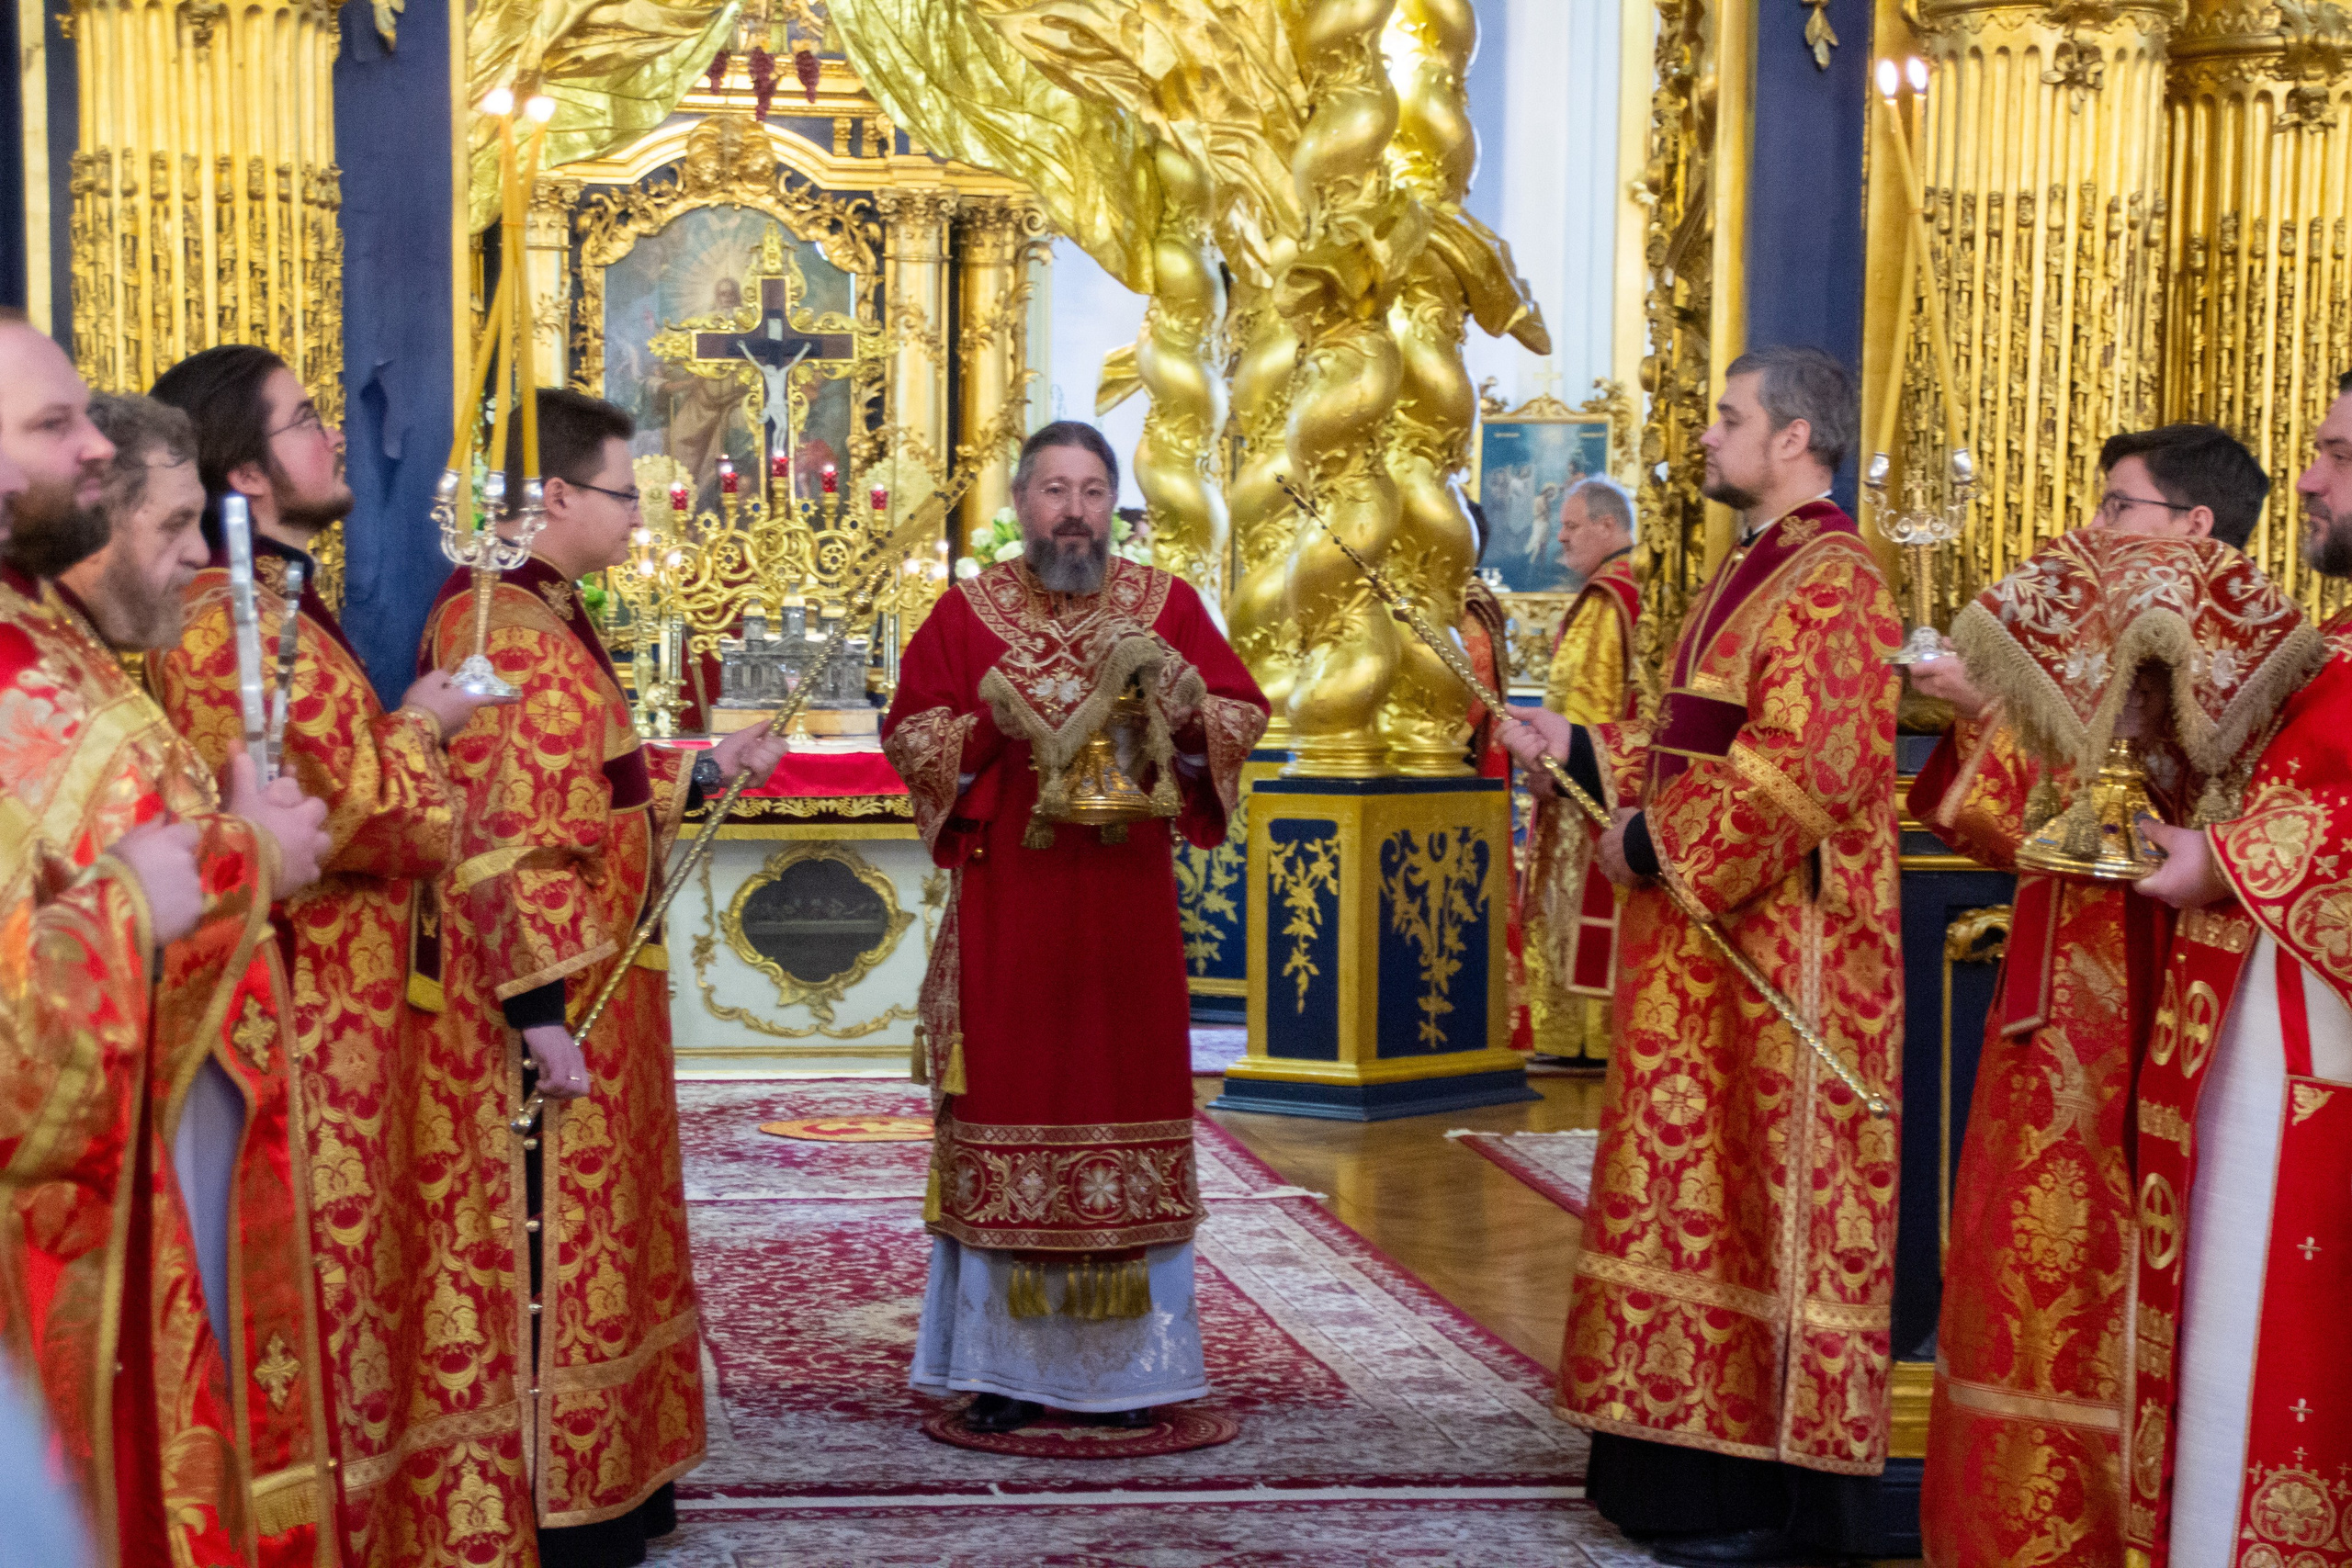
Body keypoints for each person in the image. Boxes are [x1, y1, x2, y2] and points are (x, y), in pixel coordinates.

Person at [1499, 346, 1902, 1566]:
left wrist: (1646, 839)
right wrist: (1574, 740)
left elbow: (1804, 768)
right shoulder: (1751, 565)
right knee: (1695, 1201)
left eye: (1729, 418)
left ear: (1794, 438)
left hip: (1787, 955)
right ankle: (1675, 1466)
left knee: (1762, 1201)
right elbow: (1688, 738)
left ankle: (1762, 1493)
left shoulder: (1835, 577)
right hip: (1705, 950)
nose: (1709, 435)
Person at [144, 344, 510, 1564]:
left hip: (364, 1039)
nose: (333, 438)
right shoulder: (222, 630)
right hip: (306, 1048)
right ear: (240, 473)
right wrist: (425, 723)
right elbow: (365, 813)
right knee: (333, 1328)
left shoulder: (279, 611)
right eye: (305, 422)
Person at [421, 388, 788, 1566]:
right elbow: (500, 839)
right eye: (628, 495)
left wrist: (699, 765)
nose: (642, 517)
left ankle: (612, 1478)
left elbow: (591, 788)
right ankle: (556, 1500)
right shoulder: (499, 630)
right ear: (561, 497)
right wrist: (537, 1013)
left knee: (610, 1242)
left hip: (600, 997)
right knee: (552, 1246)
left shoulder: (548, 611)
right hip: (560, 1005)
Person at [1905, 423, 2271, 1568]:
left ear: (2193, 527)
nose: (2096, 529)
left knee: (2072, 1295)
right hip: (2062, 1019)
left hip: (2125, 1035)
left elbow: (2034, 825)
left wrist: (1990, 705)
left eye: (2120, 507)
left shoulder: (2215, 657)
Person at [0, 315, 333, 1566]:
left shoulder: (58, 647)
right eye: (52, 425)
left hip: (150, 1183)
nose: (92, 445)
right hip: (64, 1241)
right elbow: (24, 1046)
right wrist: (243, 860)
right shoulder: (21, 677)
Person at [884, 420, 1268, 1435]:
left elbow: (1239, 713)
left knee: (1123, 1102)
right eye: (1054, 489)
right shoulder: (969, 613)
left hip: (1125, 926)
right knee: (1014, 1115)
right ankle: (1005, 1369)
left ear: (1114, 506)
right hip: (1012, 913)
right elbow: (911, 733)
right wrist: (985, 729)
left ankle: (1128, 1377)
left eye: (1092, 490)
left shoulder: (1165, 604)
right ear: (1020, 503)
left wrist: (1189, 711)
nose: (1073, 511)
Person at [2124, 378, 2352, 1568]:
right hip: (2254, 1065)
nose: (2309, 478)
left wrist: (2224, 857)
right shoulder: (2336, 649)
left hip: (2315, 1092)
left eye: (2337, 455)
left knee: (2280, 1374)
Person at [1517, 476, 1640, 1069]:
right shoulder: (1617, 591)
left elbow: (1590, 704)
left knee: (1575, 907)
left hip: (1584, 793)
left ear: (1607, 527)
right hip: (1591, 778)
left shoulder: (1605, 600)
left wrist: (1553, 765)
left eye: (1570, 525)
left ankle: (1584, 1040)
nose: (1559, 536)